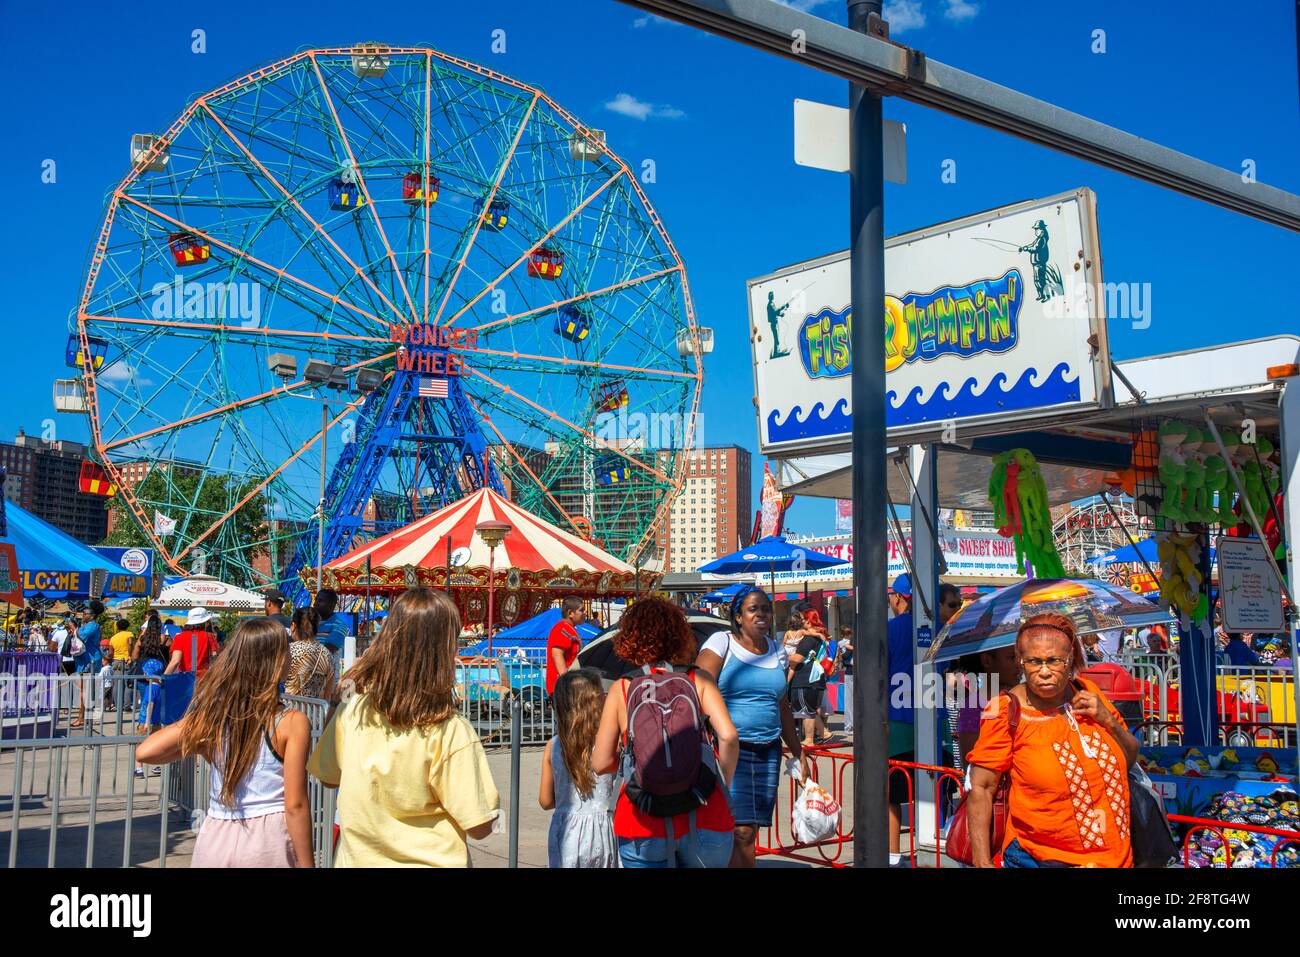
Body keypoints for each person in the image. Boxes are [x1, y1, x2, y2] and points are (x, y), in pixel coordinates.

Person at [308, 588, 500, 867]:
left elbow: (328, 776)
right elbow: (479, 825)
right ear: (444, 651)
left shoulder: (353, 711)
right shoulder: (450, 730)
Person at [965, 613, 1140, 868]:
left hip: (1117, 858)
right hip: (1042, 858)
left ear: (1070, 660)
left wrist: (1108, 720)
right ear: (1021, 662)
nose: (1044, 671)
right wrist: (981, 861)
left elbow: (1131, 758)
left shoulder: (1088, 693)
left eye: (1054, 661)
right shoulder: (1004, 711)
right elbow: (981, 787)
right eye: (1034, 662)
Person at [136, 618, 313, 867]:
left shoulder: (215, 719)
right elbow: (295, 805)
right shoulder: (291, 722)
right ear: (274, 659)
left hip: (217, 836)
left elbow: (146, 751)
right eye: (286, 650)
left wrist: (198, 740)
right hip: (267, 839)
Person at [593, 597, 739, 868]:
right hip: (705, 810)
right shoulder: (698, 679)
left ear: (629, 640)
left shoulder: (622, 688)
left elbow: (600, 763)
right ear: (679, 635)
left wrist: (633, 758)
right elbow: (729, 736)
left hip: (642, 818)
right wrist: (720, 781)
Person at [696, 585, 803, 868]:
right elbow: (698, 686)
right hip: (731, 750)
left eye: (766, 608)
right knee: (739, 830)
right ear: (738, 616)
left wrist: (798, 751)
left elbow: (782, 705)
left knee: (751, 828)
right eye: (753, 609)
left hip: (769, 751)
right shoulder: (722, 642)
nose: (761, 614)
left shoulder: (778, 651)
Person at [539, 668, 617, 868]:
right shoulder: (609, 745)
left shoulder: (553, 746)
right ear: (594, 704)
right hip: (603, 831)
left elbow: (546, 801)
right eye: (602, 693)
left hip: (566, 832)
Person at [886, 574, 915, 866]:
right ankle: (938, 840)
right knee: (935, 787)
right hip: (935, 718)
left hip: (896, 719)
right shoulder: (940, 629)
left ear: (899, 598)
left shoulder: (889, 629)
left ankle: (893, 853)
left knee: (891, 793)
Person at [786, 606, 832, 748]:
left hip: (806, 678)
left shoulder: (808, 640)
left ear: (808, 621)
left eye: (803, 619)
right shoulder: (819, 637)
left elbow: (797, 659)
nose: (801, 622)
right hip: (815, 678)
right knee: (810, 709)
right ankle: (823, 732)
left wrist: (784, 656)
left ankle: (809, 739)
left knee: (806, 711)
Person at [134, 620, 170, 777]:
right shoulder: (164, 640)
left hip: (144, 678)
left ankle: (139, 764)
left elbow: (134, 654)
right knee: (157, 721)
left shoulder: (142, 639)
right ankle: (157, 762)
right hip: (160, 678)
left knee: (146, 707)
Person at [286, 607, 335, 699]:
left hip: (289, 710)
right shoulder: (328, 655)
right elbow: (328, 696)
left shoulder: (289, 651)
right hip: (317, 712)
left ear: (293, 626)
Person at [72, 602, 105, 729]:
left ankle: (82, 717)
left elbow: (82, 636)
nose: (83, 615)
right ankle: (83, 716)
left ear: (92, 616)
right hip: (84, 659)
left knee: (84, 690)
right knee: (83, 690)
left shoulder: (93, 626)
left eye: (85, 614)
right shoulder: (87, 625)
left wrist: (75, 628)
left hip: (90, 660)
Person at [545, 597, 585, 699]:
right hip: (563, 689)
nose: (584, 613)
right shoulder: (562, 629)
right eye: (581, 610)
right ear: (570, 613)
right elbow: (557, 654)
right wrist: (566, 682)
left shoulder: (569, 629)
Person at [167, 607, 220, 678]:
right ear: (206, 623)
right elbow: (215, 657)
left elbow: (175, 661)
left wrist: (164, 678)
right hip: (204, 679)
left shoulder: (179, 637)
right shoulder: (210, 636)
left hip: (185, 680)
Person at [312, 587, 348, 656]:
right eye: (316, 600)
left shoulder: (339, 625)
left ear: (331, 605)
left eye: (320, 601)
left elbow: (327, 651)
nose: (315, 603)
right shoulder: (310, 622)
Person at [98, 646, 116, 713]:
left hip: (105, 684)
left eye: (103, 661)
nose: (102, 662)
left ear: (106, 661)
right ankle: (110, 706)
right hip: (110, 683)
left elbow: (100, 676)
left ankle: (103, 707)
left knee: (103, 696)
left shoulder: (103, 669)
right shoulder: (111, 668)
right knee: (109, 696)